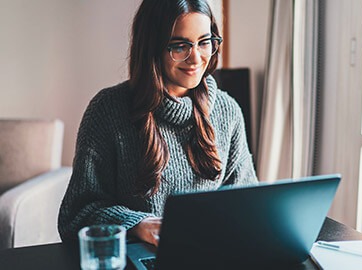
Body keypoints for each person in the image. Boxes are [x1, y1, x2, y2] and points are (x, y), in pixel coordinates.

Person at [58, 0, 258, 247]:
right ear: (152, 47)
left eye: (204, 42)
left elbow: (247, 202)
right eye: (179, 46)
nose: (196, 57)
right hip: (140, 254)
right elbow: (75, 215)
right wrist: (136, 224)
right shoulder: (108, 110)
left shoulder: (227, 110)